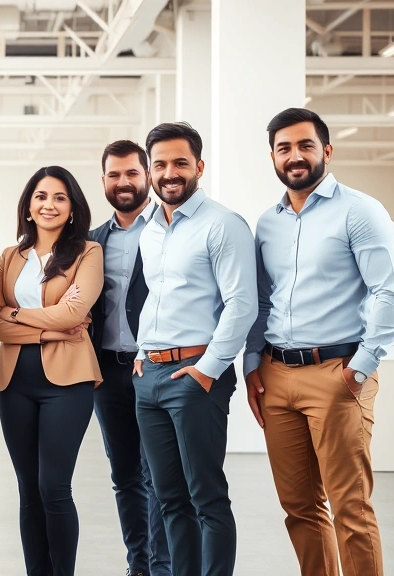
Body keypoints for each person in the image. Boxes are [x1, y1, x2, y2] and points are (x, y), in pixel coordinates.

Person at [243, 108, 394, 576]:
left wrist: (361, 367)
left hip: (337, 374)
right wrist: (253, 363)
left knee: (350, 509)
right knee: (300, 508)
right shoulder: (268, 222)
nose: (294, 156)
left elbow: (392, 293)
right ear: (273, 157)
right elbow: (260, 299)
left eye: (305, 145)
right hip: (276, 375)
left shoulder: (360, 210)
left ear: (326, 151)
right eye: (284, 148)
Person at [131, 122, 256, 576]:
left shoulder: (222, 224)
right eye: (159, 164)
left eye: (180, 162)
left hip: (196, 374)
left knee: (205, 496)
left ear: (199, 167)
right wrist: (143, 357)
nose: (170, 172)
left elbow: (242, 306)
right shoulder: (149, 229)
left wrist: (207, 370)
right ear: (149, 170)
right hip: (150, 378)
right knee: (169, 499)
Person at [0, 166, 102, 576]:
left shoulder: (87, 252)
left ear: (71, 209)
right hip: (14, 381)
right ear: (28, 207)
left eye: (59, 198)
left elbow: (73, 311)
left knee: (54, 487)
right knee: (28, 492)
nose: (49, 204)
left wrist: (15, 315)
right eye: (41, 196)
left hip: (68, 383)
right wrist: (46, 332)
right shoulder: (8, 258)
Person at [89, 140, 170, 576]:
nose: (123, 182)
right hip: (106, 370)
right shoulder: (91, 241)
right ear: (103, 180)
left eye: (132, 173)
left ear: (148, 176)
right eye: (114, 174)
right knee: (125, 475)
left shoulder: (169, 229)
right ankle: (139, 564)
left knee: (157, 474)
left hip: (155, 368)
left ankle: (163, 566)